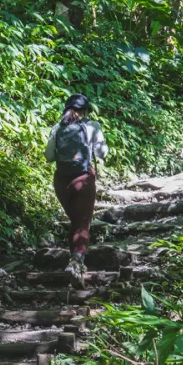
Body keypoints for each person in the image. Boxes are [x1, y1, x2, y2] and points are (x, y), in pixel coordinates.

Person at [45, 93, 108, 287]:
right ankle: (77, 262)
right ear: (86, 110)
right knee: (83, 223)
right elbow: (102, 152)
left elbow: (48, 156)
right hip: (84, 179)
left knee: (75, 221)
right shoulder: (92, 126)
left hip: (61, 181)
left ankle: (76, 263)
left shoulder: (58, 128)